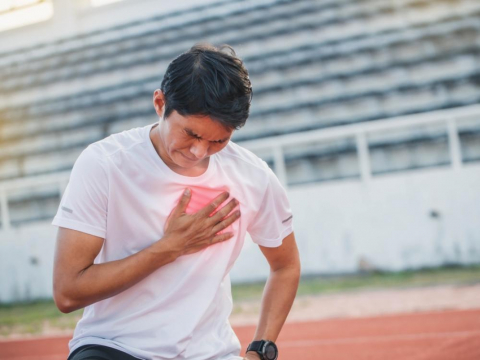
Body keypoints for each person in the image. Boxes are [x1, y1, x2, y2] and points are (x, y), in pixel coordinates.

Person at [52, 43, 301, 360]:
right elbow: (67, 292)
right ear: (160, 103)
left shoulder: (252, 176)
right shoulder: (104, 164)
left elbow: (286, 265)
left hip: (210, 353)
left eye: (218, 140)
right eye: (192, 134)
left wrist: (260, 350)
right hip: (114, 346)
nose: (200, 151)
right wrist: (170, 247)